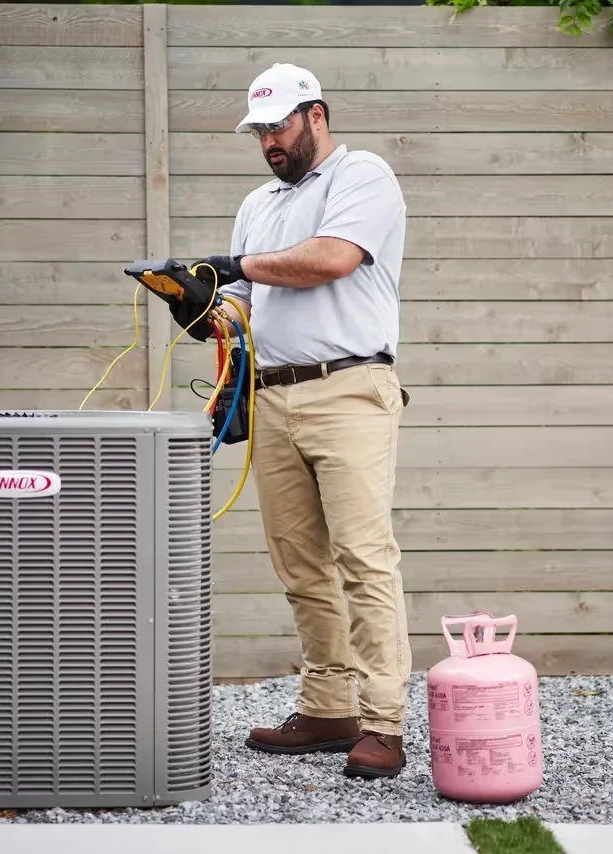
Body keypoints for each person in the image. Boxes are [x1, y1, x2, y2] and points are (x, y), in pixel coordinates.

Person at [170, 62, 412, 780]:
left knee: (365, 559)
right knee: (300, 565)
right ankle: (328, 707)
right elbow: (242, 301)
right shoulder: (258, 204)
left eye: (279, 125)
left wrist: (231, 264)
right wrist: (195, 303)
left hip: (350, 389)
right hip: (272, 394)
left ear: (317, 115)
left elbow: (331, 259)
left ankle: (385, 723)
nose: (270, 141)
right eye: (260, 131)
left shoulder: (363, 175)